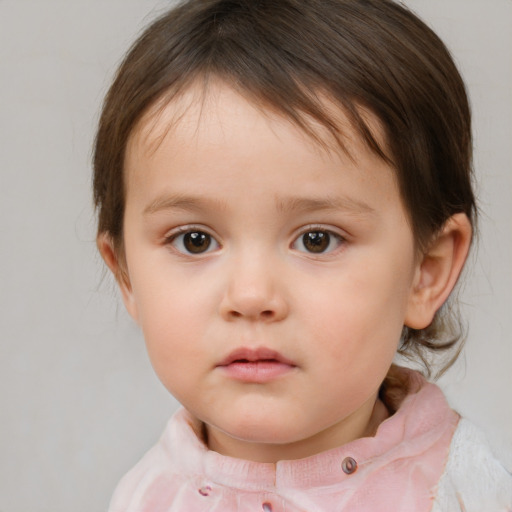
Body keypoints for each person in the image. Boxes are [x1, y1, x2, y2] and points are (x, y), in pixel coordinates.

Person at [93, 0, 512, 510]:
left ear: (426, 271)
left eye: (317, 239)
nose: (251, 296)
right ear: (127, 276)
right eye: (195, 239)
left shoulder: (462, 492)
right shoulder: (143, 497)